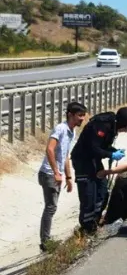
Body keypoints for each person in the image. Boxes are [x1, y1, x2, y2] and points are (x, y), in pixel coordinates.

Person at [70, 107, 127, 234]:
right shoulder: (102, 125)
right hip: (83, 161)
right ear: (122, 122)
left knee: (102, 191)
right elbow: (93, 148)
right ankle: (86, 228)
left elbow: (103, 146)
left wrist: (113, 151)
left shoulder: (111, 126)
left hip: (94, 160)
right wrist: (111, 155)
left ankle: (96, 221)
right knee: (89, 195)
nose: (126, 130)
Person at [38, 101, 87, 251]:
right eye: (79, 116)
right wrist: (56, 172)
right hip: (48, 173)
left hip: (56, 174)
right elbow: (50, 149)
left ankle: (46, 240)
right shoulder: (61, 128)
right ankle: (45, 242)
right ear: (70, 115)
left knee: (51, 207)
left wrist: (69, 177)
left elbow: (65, 156)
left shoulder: (72, 132)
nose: (82, 119)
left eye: (83, 116)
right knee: (50, 207)